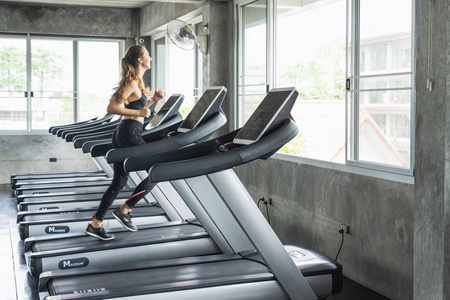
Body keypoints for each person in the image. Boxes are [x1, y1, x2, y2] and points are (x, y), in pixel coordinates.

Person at [85, 45, 164, 241]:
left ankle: (96, 223)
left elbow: (137, 107)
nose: (151, 58)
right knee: (159, 171)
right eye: (147, 55)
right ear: (139, 59)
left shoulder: (136, 82)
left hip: (126, 132)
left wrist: (152, 101)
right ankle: (125, 209)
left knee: (119, 181)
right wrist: (138, 112)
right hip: (129, 133)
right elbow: (112, 107)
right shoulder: (131, 82)